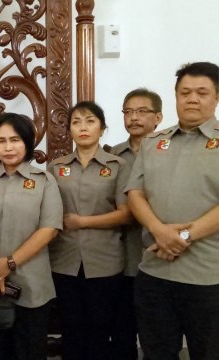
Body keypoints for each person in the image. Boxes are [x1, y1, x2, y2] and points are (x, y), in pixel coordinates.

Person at [125, 61, 219, 359]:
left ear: (216, 97)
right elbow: (135, 193)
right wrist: (158, 230)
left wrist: (184, 236)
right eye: (185, 92)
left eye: (202, 92)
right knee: (156, 352)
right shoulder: (154, 142)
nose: (192, 99)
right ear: (176, 96)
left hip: (207, 276)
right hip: (154, 272)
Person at [0, 113, 63, 360]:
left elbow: (49, 228)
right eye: (1, 141)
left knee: (30, 351)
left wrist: (8, 264)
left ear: (27, 143)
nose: (8, 147)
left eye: (15, 140)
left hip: (31, 284)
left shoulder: (44, 181)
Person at [47, 101, 132, 360]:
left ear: (102, 128)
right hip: (64, 259)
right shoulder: (56, 167)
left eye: (90, 121)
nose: (83, 127)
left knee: (100, 328)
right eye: (76, 122)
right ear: (69, 129)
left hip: (104, 260)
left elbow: (127, 213)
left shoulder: (118, 165)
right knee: (70, 328)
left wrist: (83, 222)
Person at [109, 88, 163, 360]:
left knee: (159, 334)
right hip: (123, 258)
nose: (134, 118)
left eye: (142, 111)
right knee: (122, 331)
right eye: (128, 112)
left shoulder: (169, 153)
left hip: (162, 254)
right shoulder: (112, 157)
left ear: (158, 117)